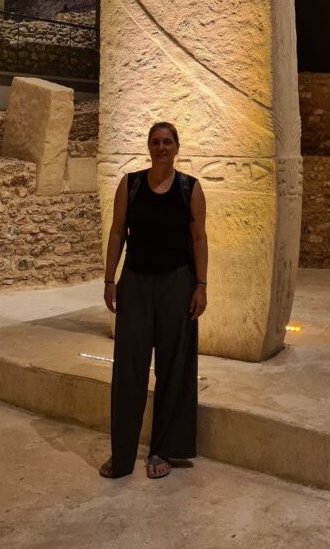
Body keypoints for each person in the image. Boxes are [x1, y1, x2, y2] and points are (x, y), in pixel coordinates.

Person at [99, 121, 208, 480]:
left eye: (167, 142)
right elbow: (117, 232)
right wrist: (109, 278)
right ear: (148, 146)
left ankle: (162, 449)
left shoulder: (189, 188)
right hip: (135, 282)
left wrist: (201, 285)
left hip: (177, 283)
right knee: (129, 367)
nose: (161, 147)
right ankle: (122, 453)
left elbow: (199, 238)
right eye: (156, 142)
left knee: (174, 367)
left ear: (177, 147)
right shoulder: (130, 185)